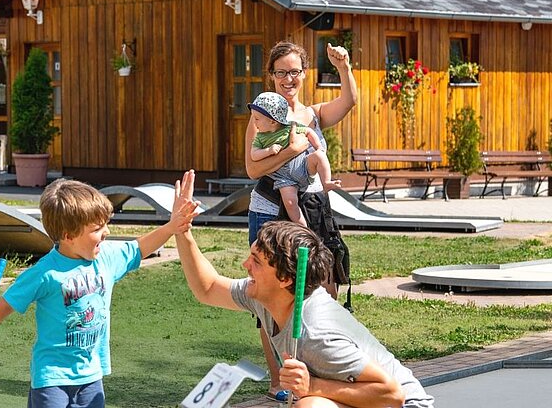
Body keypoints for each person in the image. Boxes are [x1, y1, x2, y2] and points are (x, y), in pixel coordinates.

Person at [173, 170, 435, 408]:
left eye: (256, 261)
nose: (245, 265)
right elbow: (207, 288)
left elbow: (392, 393)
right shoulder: (265, 295)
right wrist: (182, 231)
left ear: (285, 278)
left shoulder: (316, 334)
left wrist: (312, 386)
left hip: (407, 404)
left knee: (310, 407)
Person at [0, 178, 198, 408]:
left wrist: (171, 226)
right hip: (52, 378)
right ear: (68, 235)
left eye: (106, 224)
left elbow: (140, 247)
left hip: (91, 376)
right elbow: (5, 304)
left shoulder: (106, 257)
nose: (105, 233)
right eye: (97, 228)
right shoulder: (46, 272)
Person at [246, 40, 358, 401]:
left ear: (304, 74)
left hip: (311, 210)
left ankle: (317, 373)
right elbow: (251, 168)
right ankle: (278, 380)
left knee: (324, 287)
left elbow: (349, 102)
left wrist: (343, 68)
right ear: (272, 76)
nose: (288, 78)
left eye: (294, 71)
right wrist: (292, 151)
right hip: (268, 208)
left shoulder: (313, 114)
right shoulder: (262, 114)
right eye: (281, 72)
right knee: (269, 294)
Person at [249, 91, 341, 227]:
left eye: (257, 119)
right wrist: (268, 151)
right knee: (291, 203)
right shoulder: (260, 138)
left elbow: (309, 132)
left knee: (320, 156)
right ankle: (302, 227)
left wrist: (318, 147)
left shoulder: (290, 126)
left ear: (273, 121)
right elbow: (254, 154)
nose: (254, 122)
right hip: (284, 177)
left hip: (302, 165)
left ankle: (326, 182)